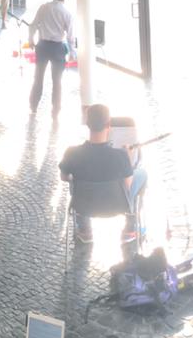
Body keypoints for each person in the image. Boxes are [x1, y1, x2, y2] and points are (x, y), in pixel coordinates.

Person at [58, 104, 146, 245]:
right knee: (143, 174)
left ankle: (84, 229)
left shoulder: (72, 153)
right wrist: (128, 158)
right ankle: (130, 228)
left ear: (87, 124)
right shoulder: (121, 156)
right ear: (109, 125)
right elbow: (128, 186)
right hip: (117, 205)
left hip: (84, 205)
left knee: (73, 180)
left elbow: (64, 177)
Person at [29, 0, 75, 117]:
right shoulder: (67, 13)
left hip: (42, 46)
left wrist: (31, 39)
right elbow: (70, 36)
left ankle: (33, 106)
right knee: (57, 81)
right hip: (57, 48)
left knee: (38, 78)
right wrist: (72, 52)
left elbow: (33, 25)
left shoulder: (43, 7)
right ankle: (55, 111)